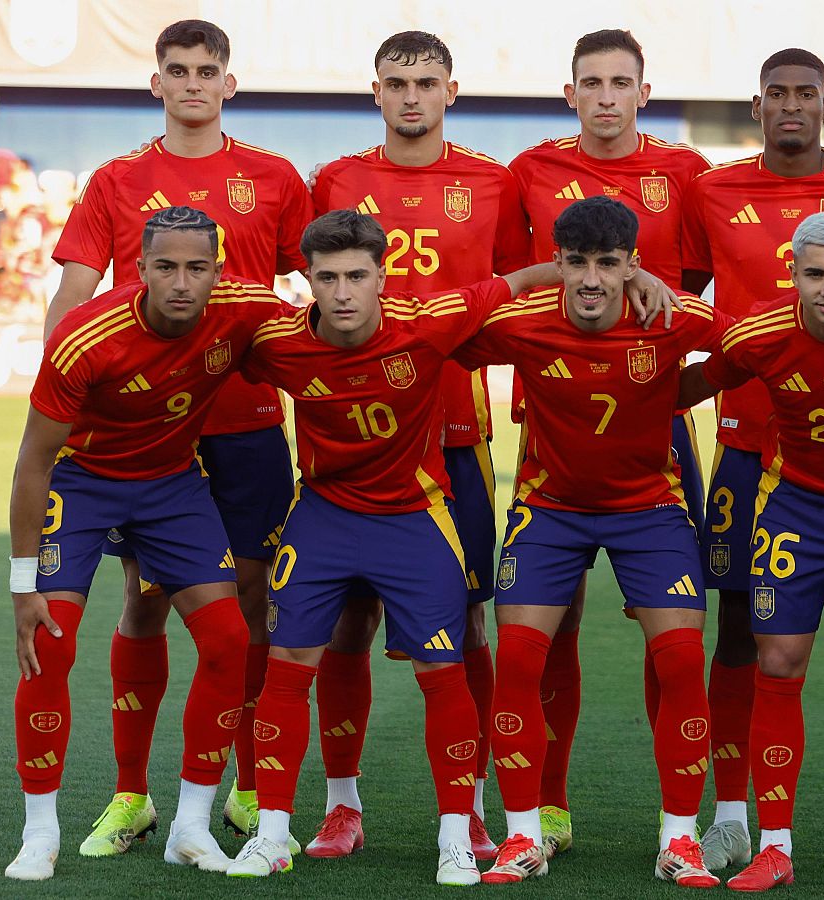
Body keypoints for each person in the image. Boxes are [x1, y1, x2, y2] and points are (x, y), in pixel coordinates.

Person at [221, 210, 565, 885]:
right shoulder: (276, 342)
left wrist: (630, 275)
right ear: (308, 282)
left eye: (356, 276)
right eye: (327, 278)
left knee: (445, 672)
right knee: (289, 664)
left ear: (383, 276)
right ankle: (273, 835)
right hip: (322, 514)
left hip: (413, 519)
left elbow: (523, 278)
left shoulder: (428, 320)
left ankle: (457, 836)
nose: (343, 292)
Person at [44, 19, 315, 855]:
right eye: (178, 70)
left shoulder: (272, 178)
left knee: (252, 600)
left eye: (208, 70)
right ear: (154, 82)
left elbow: (320, 286)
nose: (193, 82)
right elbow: (76, 296)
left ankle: (246, 783)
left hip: (246, 425)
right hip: (146, 435)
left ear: (229, 83)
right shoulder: (117, 180)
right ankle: (132, 794)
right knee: (144, 599)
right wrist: (62, 400)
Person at [681, 48, 824, 875]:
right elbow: (681, 298)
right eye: (776, 95)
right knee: (742, 632)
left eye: (805, 95)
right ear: (756, 107)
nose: (791, 107)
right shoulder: (712, 190)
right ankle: (734, 817)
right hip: (750, 449)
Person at [452, 197, 730, 887]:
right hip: (551, 507)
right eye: (576, 263)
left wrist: (676, 391)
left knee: (680, 661)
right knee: (518, 661)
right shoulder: (526, 320)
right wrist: (524, 278)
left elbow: (744, 347)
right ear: (559, 262)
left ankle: (680, 840)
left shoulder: (670, 314)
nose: (591, 280)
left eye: (609, 264)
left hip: (650, 508)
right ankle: (523, 836)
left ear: (633, 265)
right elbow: (442, 334)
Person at [302, 29, 530, 860]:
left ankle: (464, 808)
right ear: (375, 91)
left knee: (468, 624)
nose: (410, 96)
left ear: (451, 91)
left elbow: (509, 302)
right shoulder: (338, 180)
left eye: (425, 82)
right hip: (354, 441)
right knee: (344, 628)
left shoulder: (492, 184)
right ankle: (342, 805)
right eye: (396, 82)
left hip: (453, 434)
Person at [4, 207, 283, 880]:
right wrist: (20, 587)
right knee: (51, 644)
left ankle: (189, 824)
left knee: (227, 641)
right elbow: (33, 462)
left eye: (196, 268)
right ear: (139, 270)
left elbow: (336, 326)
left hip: (171, 487)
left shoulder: (246, 309)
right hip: (84, 481)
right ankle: (39, 831)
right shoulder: (85, 337)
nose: (181, 282)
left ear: (219, 271)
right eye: (165, 267)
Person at [505, 31, 713, 854]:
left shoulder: (687, 170)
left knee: (676, 640)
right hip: (552, 415)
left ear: (643, 91)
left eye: (619, 82)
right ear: (571, 92)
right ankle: (543, 811)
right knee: (546, 629)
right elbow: (497, 287)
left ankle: (684, 830)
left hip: (649, 412)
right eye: (590, 82)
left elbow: (706, 295)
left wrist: (652, 312)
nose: (604, 97)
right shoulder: (529, 170)